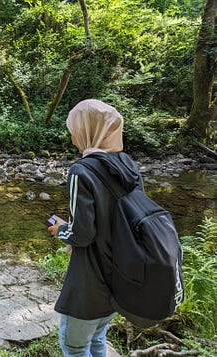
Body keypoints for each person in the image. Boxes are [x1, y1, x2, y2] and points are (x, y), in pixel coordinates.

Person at [48, 99, 142, 357]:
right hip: (121, 276)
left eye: (74, 130)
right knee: (98, 337)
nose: (72, 138)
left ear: (88, 130)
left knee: (74, 346)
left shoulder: (81, 170)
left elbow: (83, 233)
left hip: (91, 281)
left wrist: (61, 230)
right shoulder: (128, 166)